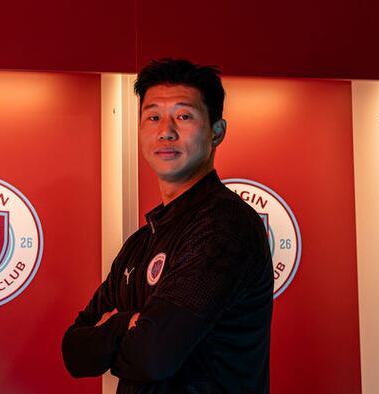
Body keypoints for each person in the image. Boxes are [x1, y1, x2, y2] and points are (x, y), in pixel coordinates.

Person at [61, 58, 273, 393]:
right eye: (153, 117)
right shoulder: (141, 241)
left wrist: (114, 329)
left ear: (217, 131)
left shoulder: (225, 226)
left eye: (184, 116)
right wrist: (126, 325)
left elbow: (153, 356)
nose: (166, 131)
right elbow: (75, 352)